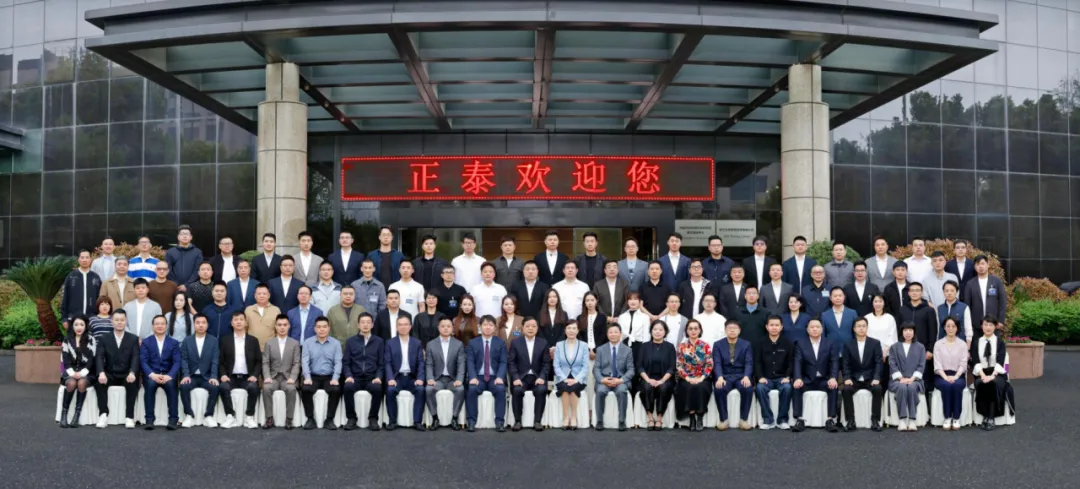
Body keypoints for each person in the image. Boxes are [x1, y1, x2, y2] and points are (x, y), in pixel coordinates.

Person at [94, 310, 140, 429]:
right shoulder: (104, 338)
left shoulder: (133, 339)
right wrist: (101, 372)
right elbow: (99, 356)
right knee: (99, 382)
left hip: (126, 373)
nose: (119, 322)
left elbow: (135, 357)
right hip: (110, 373)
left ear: (126, 321)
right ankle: (103, 414)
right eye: (117, 320)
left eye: (122, 320)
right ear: (112, 321)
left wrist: (132, 372)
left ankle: (129, 416)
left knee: (133, 383)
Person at [791, 319, 839, 433]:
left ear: (822, 329)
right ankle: (799, 420)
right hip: (807, 379)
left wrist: (833, 377)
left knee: (833, 387)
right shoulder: (801, 343)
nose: (815, 329)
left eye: (817, 327)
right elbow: (797, 362)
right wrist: (797, 378)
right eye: (812, 327)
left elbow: (834, 361)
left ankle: (830, 420)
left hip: (824, 379)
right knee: (796, 387)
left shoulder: (830, 343)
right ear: (807, 329)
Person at [342, 313, 385, 431]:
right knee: (348, 387)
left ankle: (373, 418)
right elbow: (346, 362)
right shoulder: (350, 341)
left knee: (377, 388)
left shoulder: (379, 341)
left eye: (368, 322)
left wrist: (378, 377)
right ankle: (351, 418)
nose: (365, 325)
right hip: (355, 378)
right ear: (358, 325)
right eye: (362, 322)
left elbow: (381, 364)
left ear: (372, 325)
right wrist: (348, 375)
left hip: (372, 378)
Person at [218, 312, 262, 429]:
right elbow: (221, 362)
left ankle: (249, 417)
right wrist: (223, 375)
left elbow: (258, 361)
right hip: (231, 377)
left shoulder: (253, 340)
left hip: (247, 377)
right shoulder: (225, 340)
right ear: (231, 323)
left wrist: (255, 375)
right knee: (223, 387)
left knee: (253, 388)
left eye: (241, 319)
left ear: (246, 323)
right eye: (236, 319)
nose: (238, 322)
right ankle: (230, 416)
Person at [465, 315, 508, 432]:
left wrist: (500, 377)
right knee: (472, 389)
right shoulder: (473, 343)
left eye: (490, 325)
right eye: (485, 325)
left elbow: (503, 361)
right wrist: (473, 377)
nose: (488, 327)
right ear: (480, 327)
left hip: (494, 377)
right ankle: (471, 422)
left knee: (500, 389)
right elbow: (470, 361)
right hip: (478, 377)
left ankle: (500, 422)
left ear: (495, 327)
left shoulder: (500, 343)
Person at [383, 316, 426, 431]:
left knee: (420, 390)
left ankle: (417, 421)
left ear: (410, 327)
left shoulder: (417, 343)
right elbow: (387, 362)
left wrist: (420, 378)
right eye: (400, 324)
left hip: (412, 378)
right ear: (396, 327)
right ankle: (392, 421)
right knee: (390, 390)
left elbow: (421, 362)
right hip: (397, 377)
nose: (403, 327)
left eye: (406, 324)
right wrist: (390, 378)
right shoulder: (390, 343)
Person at [841, 317, 884, 432]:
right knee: (846, 389)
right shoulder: (848, 344)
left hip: (870, 378)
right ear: (854, 329)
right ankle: (850, 421)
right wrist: (847, 378)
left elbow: (878, 362)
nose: (861, 328)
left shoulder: (875, 343)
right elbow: (845, 364)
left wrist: (876, 377)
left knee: (878, 389)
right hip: (854, 379)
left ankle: (875, 421)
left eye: (864, 326)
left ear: (867, 328)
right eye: (859, 326)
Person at [507, 316, 550, 431]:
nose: (530, 328)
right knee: (517, 390)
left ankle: (537, 421)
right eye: (527, 326)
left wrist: (542, 377)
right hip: (521, 378)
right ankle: (517, 421)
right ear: (522, 328)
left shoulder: (543, 343)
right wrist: (515, 378)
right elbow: (511, 363)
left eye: (533, 326)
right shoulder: (515, 343)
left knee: (541, 390)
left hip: (537, 377)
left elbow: (546, 363)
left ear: (537, 328)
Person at [301, 317, 343, 430]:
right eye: (319, 327)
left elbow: (338, 362)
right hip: (313, 376)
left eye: (324, 327)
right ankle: (310, 419)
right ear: (315, 329)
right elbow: (305, 362)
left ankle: (329, 419)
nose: (322, 329)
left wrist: (335, 378)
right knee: (305, 389)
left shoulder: (335, 343)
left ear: (329, 328)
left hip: (329, 377)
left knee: (335, 390)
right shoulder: (308, 343)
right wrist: (307, 377)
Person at [424, 317, 466, 431]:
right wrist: (430, 378)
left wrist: (459, 379)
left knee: (460, 389)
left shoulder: (458, 344)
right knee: (428, 389)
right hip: (438, 379)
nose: (446, 328)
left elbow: (461, 364)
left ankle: (454, 418)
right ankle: (435, 418)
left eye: (448, 326)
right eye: (443, 326)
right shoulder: (431, 344)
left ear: (452, 328)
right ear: (438, 328)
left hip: (452, 379)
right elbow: (429, 364)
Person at [139, 315, 181, 430]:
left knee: (172, 386)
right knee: (150, 386)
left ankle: (173, 419)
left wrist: (170, 375)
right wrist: (152, 375)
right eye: (157, 324)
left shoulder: (174, 342)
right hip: (152, 375)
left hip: (167, 374)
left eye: (162, 324)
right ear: (153, 326)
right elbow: (143, 361)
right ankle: (149, 420)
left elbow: (177, 362)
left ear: (166, 326)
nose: (160, 326)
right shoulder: (146, 342)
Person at [179, 314, 220, 428]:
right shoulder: (187, 340)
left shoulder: (213, 341)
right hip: (192, 376)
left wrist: (213, 376)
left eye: (203, 322)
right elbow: (184, 359)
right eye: (198, 323)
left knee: (215, 387)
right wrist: (186, 375)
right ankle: (189, 415)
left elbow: (215, 360)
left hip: (206, 376)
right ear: (194, 324)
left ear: (207, 325)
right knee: (184, 386)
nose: (200, 325)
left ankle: (208, 416)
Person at [899, 282, 937, 404]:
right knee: (907, 378)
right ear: (908, 293)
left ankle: (925, 409)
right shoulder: (902, 310)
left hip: (923, 350)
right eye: (912, 290)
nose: (915, 293)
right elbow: (899, 331)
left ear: (922, 292)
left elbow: (933, 331)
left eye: (917, 290)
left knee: (923, 379)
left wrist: (930, 349)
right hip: (905, 349)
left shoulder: (929, 310)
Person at [970, 315, 1010, 431]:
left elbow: (1001, 362)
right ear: (982, 326)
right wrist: (983, 375)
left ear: (995, 326)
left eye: (991, 325)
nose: (988, 327)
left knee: (992, 383)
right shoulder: (976, 342)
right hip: (981, 373)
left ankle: (990, 417)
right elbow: (975, 361)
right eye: (985, 324)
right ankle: (985, 415)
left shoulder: (1000, 342)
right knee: (982, 383)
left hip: (997, 373)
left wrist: (992, 376)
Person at [713, 319, 754, 431]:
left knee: (747, 389)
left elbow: (749, 362)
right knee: (719, 389)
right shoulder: (718, 344)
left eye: (734, 328)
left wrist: (747, 376)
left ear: (739, 330)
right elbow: (717, 363)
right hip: (725, 376)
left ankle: (744, 420)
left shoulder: (746, 344)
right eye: (729, 328)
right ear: (725, 330)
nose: (732, 330)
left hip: (741, 375)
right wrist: (719, 377)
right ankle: (723, 420)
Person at [261, 314, 300, 429]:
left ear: (289, 326)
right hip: (273, 377)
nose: (282, 327)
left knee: (291, 389)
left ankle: (289, 419)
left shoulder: (295, 343)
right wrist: (267, 376)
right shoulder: (269, 343)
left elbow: (297, 363)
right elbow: (265, 362)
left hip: (288, 378)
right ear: (275, 326)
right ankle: (269, 418)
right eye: (279, 325)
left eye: (285, 325)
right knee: (266, 388)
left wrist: (293, 378)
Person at [755, 315, 794, 430]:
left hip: (782, 378)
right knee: (760, 388)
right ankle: (768, 420)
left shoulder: (788, 343)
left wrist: (788, 376)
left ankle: (782, 420)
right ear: (767, 327)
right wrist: (760, 377)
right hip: (766, 378)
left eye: (777, 325)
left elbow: (791, 362)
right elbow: (757, 362)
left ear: (781, 327)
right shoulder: (760, 343)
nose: (774, 327)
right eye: (771, 325)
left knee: (787, 388)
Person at [636, 320, 676, 430]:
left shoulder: (670, 347)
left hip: (664, 379)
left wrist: (662, 380)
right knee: (647, 387)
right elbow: (639, 366)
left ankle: (659, 418)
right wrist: (648, 379)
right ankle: (650, 418)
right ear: (651, 331)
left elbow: (672, 367)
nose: (657, 332)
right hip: (647, 377)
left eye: (660, 330)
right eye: (655, 329)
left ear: (665, 332)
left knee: (663, 388)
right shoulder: (644, 346)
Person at [594, 324, 635, 431]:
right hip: (605, 380)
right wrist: (602, 379)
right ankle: (599, 421)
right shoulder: (600, 349)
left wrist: (621, 380)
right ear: (607, 334)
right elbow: (596, 368)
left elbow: (631, 370)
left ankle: (622, 421)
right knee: (600, 391)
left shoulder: (627, 350)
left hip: (620, 380)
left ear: (620, 334)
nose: (613, 334)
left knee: (622, 391)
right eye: (610, 332)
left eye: (616, 332)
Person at [59, 316, 97, 428]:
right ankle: (64, 415)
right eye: (76, 325)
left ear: (86, 326)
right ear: (72, 326)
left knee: (81, 382)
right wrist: (72, 373)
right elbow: (65, 359)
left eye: (81, 324)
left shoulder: (91, 339)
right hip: (70, 371)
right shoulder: (67, 339)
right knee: (71, 383)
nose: (79, 327)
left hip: (87, 372)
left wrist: (82, 373)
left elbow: (91, 360)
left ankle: (77, 415)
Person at [675, 319, 712, 432]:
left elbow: (709, 364)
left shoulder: (705, 346)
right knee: (689, 387)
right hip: (686, 377)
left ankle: (699, 417)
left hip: (702, 377)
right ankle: (692, 418)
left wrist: (701, 378)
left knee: (701, 387)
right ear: (687, 331)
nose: (693, 331)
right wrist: (688, 378)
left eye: (696, 328)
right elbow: (679, 365)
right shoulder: (682, 346)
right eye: (690, 329)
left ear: (700, 330)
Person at [889, 322, 926, 432]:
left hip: (915, 380)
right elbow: (892, 364)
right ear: (901, 332)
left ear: (914, 332)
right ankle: (902, 419)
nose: (908, 333)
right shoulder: (894, 347)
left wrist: (912, 379)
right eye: (905, 330)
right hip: (897, 380)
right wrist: (901, 378)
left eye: (910, 330)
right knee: (902, 387)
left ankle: (912, 419)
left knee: (911, 387)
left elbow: (921, 365)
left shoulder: (920, 347)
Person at [555, 320, 591, 430]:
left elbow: (585, 366)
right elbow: (556, 365)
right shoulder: (559, 345)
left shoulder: (584, 345)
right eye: (569, 328)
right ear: (565, 330)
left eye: (574, 328)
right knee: (565, 387)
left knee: (574, 387)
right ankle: (566, 417)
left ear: (578, 330)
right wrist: (564, 378)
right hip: (563, 377)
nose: (571, 331)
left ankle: (574, 417)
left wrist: (577, 379)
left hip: (578, 377)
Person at [934, 316, 968, 431]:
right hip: (941, 375)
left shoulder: (962, 344)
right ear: (944, 327)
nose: (950, 328)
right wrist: (945, 377)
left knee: (957, 385)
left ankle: (956, 418)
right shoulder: (938, 344)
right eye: (948, 326)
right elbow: (937, 364)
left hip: (958, 375)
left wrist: (956, 376)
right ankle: (947, 417)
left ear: (957, 328)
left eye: (953, 326)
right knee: (946, 385)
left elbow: (963, 364)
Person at [961, 256, 1007, 333]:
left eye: (983, 263)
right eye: (978, 264)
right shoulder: (970, 284)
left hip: (993, 323)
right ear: (974, 267)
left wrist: (1001, 320)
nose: (980, 266)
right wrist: (969, 323)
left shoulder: (996, 281)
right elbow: (967, 305)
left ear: (988, 265)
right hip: (976, 325)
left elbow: (1003, 302)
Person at [61, 249, 103, 328]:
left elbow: (100, 299)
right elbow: (65, 298)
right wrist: (64, 318)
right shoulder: (71, 276)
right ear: (78, 259)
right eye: (82, 257)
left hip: (92, 319)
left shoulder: (96, 277)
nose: (84, 260)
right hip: (73, 318)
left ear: (90, 260)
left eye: (87, 257)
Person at [865, 294, 898, 388]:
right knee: (872, 380)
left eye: (880, 301)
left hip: (886, 354)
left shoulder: (890, 318)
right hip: (870, 354)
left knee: (885, 378)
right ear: (872, 303)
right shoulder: (867, 318)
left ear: (884, 303)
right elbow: (865, 335)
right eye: (875, 301)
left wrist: (885, 351)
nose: (878, 304)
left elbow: (892, 336)